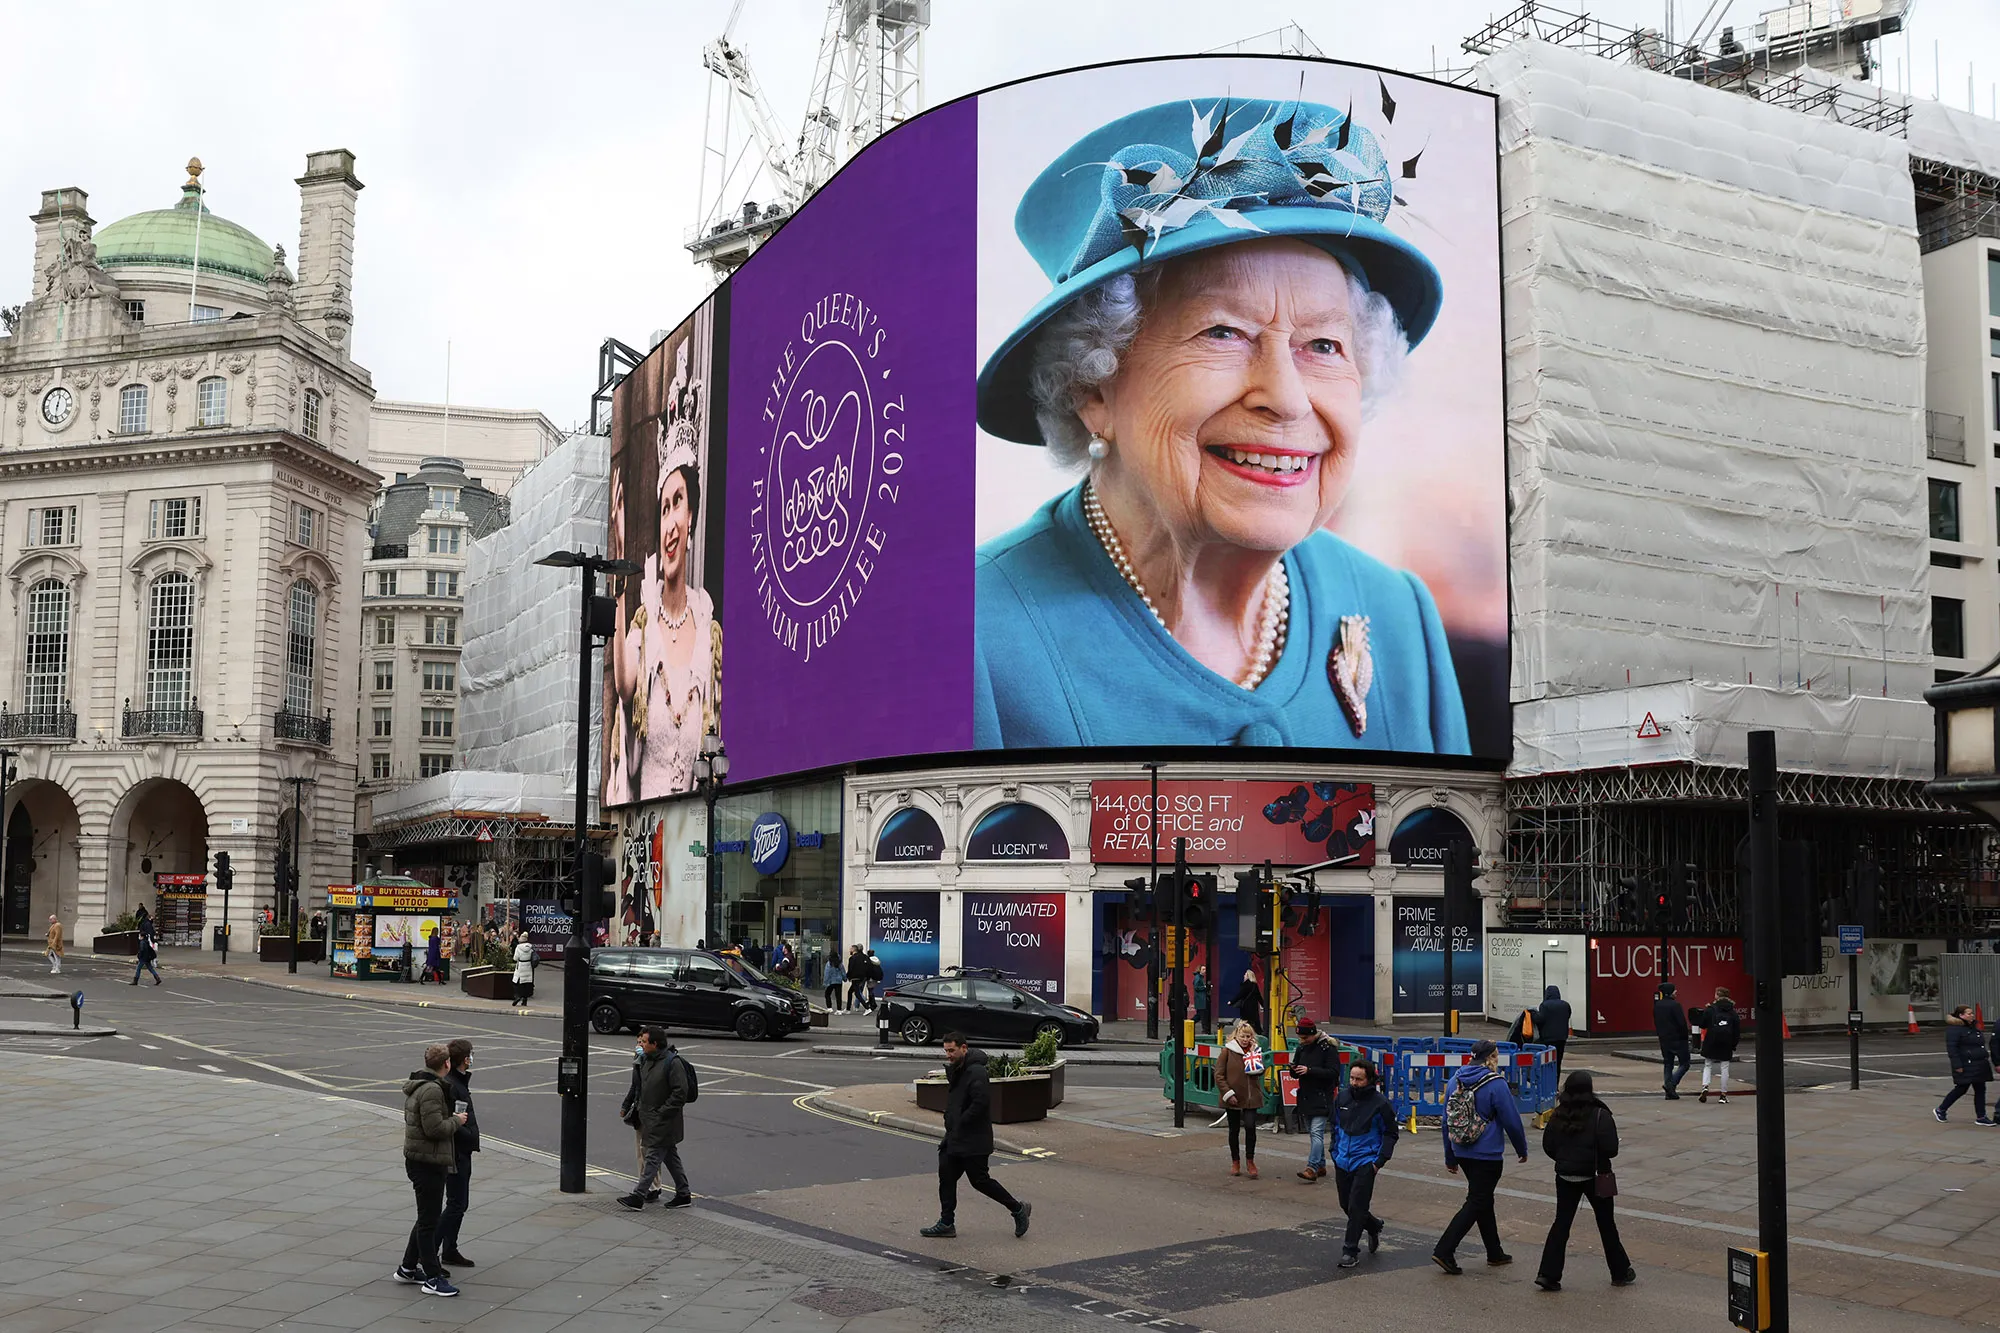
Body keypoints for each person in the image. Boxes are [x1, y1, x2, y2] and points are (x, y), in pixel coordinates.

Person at [973, 95, 1468, 753]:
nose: (1287, 399)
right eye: (1224, 332)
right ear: (1092, 386)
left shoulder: (1400, 618)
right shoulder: (972, 638)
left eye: (1323, 345)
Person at [920, 1034, 1031, 1239]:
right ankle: (946, 1223)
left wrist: (960, 1122)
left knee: (980, 1181)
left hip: (973, 1139)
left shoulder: (977, 1071)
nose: (948, 1055)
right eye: (945, 1051)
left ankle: (1017, 1209)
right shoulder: (958, 1069)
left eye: (951, 1050)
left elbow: (980, 1103)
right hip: (954, 1137)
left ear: (964, 1048)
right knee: (946, 1177)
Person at [1433, 1039, 1528, 1275]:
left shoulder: (1455, 1080)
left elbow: (1447, 1121)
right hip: (1487, 1154)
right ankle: (1445, 1250)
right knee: (1477, 1200)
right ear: (1491, 1058)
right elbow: (1511, 1120)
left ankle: (1494, 1252)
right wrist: (1521, 1148)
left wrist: (1450, 1155)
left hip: (1462, 1151)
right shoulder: (1496, 1084)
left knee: (1483, 1198)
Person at [1534, 1071, 1635, 1291]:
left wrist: (1565, 1159)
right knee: (1606, 1224)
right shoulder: (1600, 1115)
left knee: (1561, 1224)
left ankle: (1548, 1274)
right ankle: (1619, 1271)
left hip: (1565, 1176)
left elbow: (1548, 1145)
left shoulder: (1558, 1114)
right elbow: (1611, 1149)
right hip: (1596, 1176)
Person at [394, 1043, 466, 1297]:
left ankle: (408, 1268)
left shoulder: (420, 1084)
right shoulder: (432, 1091)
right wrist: (456, 1121)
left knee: (427, 1216)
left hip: (420, 1159)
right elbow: (434, 1129)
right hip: (428, 1163)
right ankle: (433, 1278)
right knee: (429, 1222)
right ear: (446, 1064)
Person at [1331, 1058, 1398, 1268]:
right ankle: (1374, 1225)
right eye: (1351, 1078)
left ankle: (1350, 1251)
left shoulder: (1381, 1104)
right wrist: (1334, 1150)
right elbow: (1335, 1126)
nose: (1354, 1082)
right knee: (1346, 1205)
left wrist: (1378, 1162)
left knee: (1358, 1206)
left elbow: (1390, 1134)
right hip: (1342, 1159)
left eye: (1359, 1079)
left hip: (1365, 1161)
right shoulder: (1341, 1097)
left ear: (1369, 1080)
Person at [618, 1027, 693, 1209]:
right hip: (649, 1118)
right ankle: (684, 1194)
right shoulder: (645, 1060)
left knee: (652, 1157)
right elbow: (639, 1087)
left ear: (655, 1044)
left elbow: (680, 1092)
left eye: (644, 1042)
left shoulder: (672, 1062)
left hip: (664, 1120)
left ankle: (638, 1196)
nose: (640, 1044)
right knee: (670, 1157)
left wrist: (662, 1112)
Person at [437, 1039, 481, 1268]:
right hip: (456, 1153)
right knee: (456, 1203)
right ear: (465, 1059)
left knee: (459, 1204)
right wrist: (469, 1136)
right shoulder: (453, 1085)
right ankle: (429, 1249)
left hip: (463, 1151)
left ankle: (449, 1249)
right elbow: (454, 1122)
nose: (473, 1057)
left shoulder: (458, 1082)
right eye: (471, 1054)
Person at [1286, 1018, 1340, 1183]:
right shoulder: (1302, 1047)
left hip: (1322, 1096)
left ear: (1313, 1034)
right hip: (1306, 1095)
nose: (1302, 1041)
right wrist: (1294, 1070)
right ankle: (1321, 1165)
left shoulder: (1328, 1048)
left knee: (1316, 1132)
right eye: (1301, 1038)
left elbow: (1333, 1072)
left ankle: (1312, 1168)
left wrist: (1309, 1070)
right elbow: (1297, 1069)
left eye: (1305, 1037)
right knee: (1312, 1132)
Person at [617, 1034, 662, 1202]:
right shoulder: (639, 1060)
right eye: (638, 1042)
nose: (639, 1045)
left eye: (642, 1042)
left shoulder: (654, 1063)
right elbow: (635, 1085)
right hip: (640, 1110)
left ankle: (650, 1188)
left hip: (652, 1112)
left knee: (649, 1151)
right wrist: (626, 1105)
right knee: (643, 1151)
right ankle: (653, 1186)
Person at [1218, 1019, 1264, 1178]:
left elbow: (1258, 1072)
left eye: (1248, 1036)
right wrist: (1227, 1093)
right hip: (1233, 1097)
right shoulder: (1227, 1051)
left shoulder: (1255, 1050)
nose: (1245, 1039)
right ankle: (1235, 1161)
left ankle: (1250, 1160)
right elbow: (1219, 1075)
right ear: (1236, 1035)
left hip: (1251, 1096)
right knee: (1234, 1130)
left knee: (1251, 1127)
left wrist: (1255, 1059)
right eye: (1243, 1036)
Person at [1935, 1004, 1996, 1124]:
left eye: (1972, 1013)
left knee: (1980, 1089)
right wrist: (1957, 1065)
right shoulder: (1954, 1030)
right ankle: (1941, 1109)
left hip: (1979, 1063)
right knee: (1961, 1088)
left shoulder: (1973, 1027)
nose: (1972, 1015)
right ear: (1961, 1015)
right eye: (1969, 1013)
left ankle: (1981, 1116)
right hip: (1965, 1063)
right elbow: (1952, 1049)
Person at [1690, 987, 1742, 1105]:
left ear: (1716, 996)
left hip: (1711, 1041)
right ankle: (1723, 1095)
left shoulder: (1711, 1009)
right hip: (1726, 1042)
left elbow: (1703, 1025)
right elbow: (1737, 1030)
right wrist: (1733, 1044)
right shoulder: (1732, 1012)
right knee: (1725, 1068)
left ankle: (1705, 1087)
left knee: (1708, 1065)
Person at [1654, 981, 1692, 1100]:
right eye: (1675, 990)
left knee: (1668, 1063)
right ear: (1670, 992)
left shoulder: (1657, 1005)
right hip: (1678, 1038)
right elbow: (1681, 1023)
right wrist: (1686, 1037)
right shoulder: (1675, 1005)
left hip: (1664, 1038)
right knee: (1685, 1063)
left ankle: (1669, 1092)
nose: (1676, 992)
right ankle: (1671, 1085)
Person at [1537, 985, 1572, 1081]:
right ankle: (1555, 1084)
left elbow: (1541, 1019)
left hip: (1548, 1038)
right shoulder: (1565, 1005)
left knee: (1546, 1062)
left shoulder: (1544, 1005)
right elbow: (1568, 1016)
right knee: (1558, 1061)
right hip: (1561, 1038)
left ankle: (1547, 1083)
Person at [1232, 968, 1264, 1037]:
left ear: (1248, 976)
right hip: (1253, 1007)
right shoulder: (1254, 985)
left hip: (1246, 1007)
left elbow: (1240, 995)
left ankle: (1239, 1035)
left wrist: (1232, 1001)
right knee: (1255, 1023)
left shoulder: (1246, 985)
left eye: (1245, 974)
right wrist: (1264, 1005)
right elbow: (1259, 996)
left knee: (1244, 1022)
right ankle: (1259, 1034)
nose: (1244, 975)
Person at [510, 937, 537, 1008]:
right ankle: (524, 1001)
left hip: (521, 966)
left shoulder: (518, 948)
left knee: (515, 982)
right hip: (528, 966)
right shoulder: (530, 947)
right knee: (526, 984)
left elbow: (515, 958)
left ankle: (518, 996)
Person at [847, 945, 870, 1011]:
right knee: (850, 992)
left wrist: (848, 976)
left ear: (853, 950)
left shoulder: (852, 958)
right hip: (862, 977)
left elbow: (850, 968)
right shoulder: (865, 957)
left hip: (855, 977)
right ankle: (848, 1008)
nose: (849, 950)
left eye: (850, 949)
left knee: (857, 993)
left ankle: (867, 1007)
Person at [1192, 966, 1211, 1032]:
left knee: (1199, 1015)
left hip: (1201, 999)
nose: (1204, 971)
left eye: (1205, 969)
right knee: (1203, 1015)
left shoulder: (1200, 977)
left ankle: (1190, 1023)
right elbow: (1196, 987)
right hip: (1201, 999)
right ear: (1199, 970)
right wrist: (1205, 987)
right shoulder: (1198, 977)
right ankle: (1205, 1029)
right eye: (1203, 969)